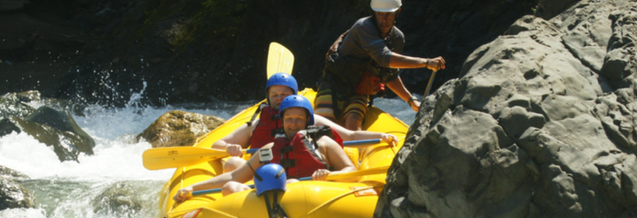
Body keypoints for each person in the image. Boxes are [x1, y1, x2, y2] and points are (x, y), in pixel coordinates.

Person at [175, 95, 356, 202]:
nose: (293, 124)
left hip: (315, 198)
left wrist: (330, 176)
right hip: (272, 205)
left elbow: (352, 170)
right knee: (231, 187)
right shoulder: (269, 149)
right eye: (288, 119)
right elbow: (234, 176)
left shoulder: (324, 144)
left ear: (307, 121)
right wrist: (192, 187)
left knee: (292, 184)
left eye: (299, 119)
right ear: (282, 121)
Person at [212, 73, 398, 172]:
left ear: (294, 96)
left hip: (307, 176)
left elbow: (350, 136)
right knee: (231, 164)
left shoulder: (310, 120)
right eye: (274, 95)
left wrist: (381, 136)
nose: (279, 99)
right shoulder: (258, 123)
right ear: (268, 98)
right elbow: (217, 144)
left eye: (284, 95)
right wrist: (230, 149)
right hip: (266, 175)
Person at [314, 0, 446, 130]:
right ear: (374, 13)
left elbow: (390, 75)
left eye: (388, 14)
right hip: (332, 85)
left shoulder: (397, 38)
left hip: (357, 91)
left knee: (353, 121)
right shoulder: (364, 27)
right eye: (380, 14)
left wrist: (411, 101)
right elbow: (384, 58)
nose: (384, 19)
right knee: (323, 128)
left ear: (397, 12)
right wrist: (426, 63)